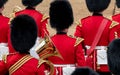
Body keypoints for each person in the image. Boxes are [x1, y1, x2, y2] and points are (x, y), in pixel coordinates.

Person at [74, 0, 117, 75]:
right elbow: (113, 49)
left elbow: (77, 46)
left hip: (87, 64)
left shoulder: (82, 23)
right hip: (105, 66)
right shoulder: (110, 24)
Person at [47, 0, 86, 75]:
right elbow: (82, 68)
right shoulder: (75, 43)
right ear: (68, 22)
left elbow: (42, 67)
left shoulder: (47, 42)